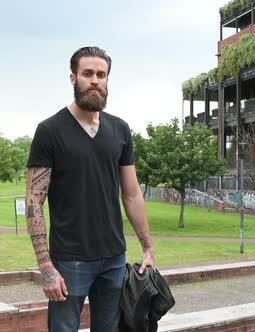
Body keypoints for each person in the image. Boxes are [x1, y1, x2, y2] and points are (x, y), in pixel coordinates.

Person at [26, 46, 154, 332]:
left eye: (101, 74)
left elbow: (131, 194)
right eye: (87, 74)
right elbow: (34, 201)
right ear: (73, 78)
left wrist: (147, 246)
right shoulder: (50, 130)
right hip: (70, 260)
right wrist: (45, 265)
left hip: (113, 258)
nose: (95, 80)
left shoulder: (120, 130)